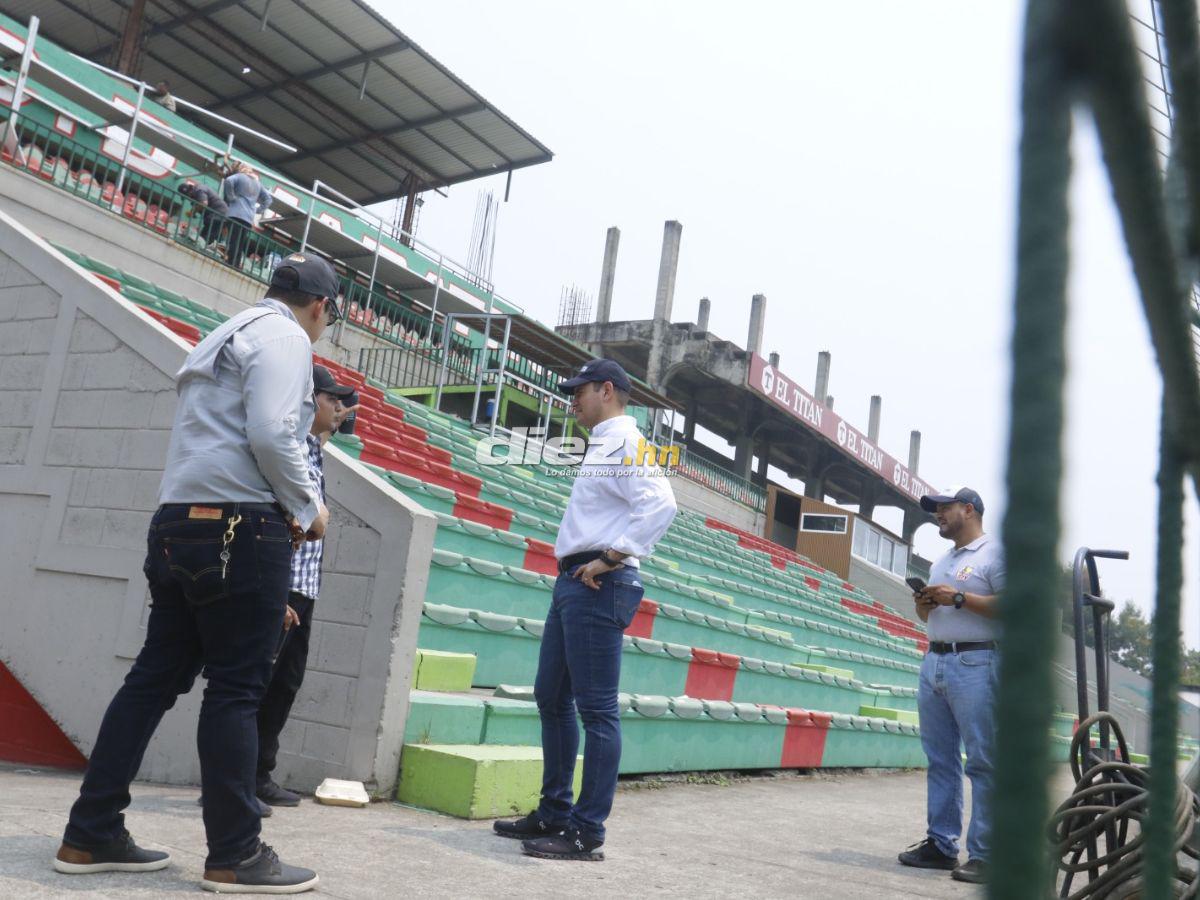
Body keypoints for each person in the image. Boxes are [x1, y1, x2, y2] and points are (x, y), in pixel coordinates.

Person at [53, 253, 343, 894]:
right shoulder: (288, 337)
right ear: (320, 308)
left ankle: (89, 831)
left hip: (177, 520)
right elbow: (271, 433)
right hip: (240, 526)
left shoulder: (227, 329)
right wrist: (309, 507)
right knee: (238, 690)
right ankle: (235, 855)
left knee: (151, 680)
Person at [493, 358, 677, 861]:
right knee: (551, 696)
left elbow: (661, 504)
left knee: (596, 711)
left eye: (581, 390)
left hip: (600, 581)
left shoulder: (622, 440)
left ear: (608, 390)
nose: (572, 398)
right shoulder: (603, 442)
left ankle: (585, 830)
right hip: (578, 578)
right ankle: (554, 811)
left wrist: (611, 556)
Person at [254, 365, 356, 808]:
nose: (341, 408)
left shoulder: (314, 450)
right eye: (332, 400)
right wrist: (273, 594)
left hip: (304, 588)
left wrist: (332, 424)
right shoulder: (290, 446)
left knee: (284, 684)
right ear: (308, 399)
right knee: (254, 685)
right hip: (280, 585)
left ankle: (258, 776)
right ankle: (233, 783)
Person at [897, 486, 1004, 886]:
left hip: (978, 660)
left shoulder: (995, 552)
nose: (938, 514)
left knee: (982, 760)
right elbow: (932, 614)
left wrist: (958, 597)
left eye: (945, 507)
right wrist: (925, 604)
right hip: (936, 658)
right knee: (941, 759)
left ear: (970, 509)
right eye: (936, 509)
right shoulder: (943, 560)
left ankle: (987, 854)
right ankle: (941, 846)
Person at [222, 162, 272, 271]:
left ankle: (230, 262)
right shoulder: (258, 184)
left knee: (232, 240)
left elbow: (229, 180)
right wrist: (259, 210)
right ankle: (235, 264)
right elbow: (268, 199)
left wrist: (231, 197)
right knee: (240, 242)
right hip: (249, 218)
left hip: (235, 213)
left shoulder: (240, 176)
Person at [179, 179, 229, 246]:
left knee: (206, 239)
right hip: (213, 216)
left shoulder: (199, 190)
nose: (188, 198)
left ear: (190, 191)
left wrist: (193, 212)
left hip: (218, 215)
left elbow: (203, 203)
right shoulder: (195, 195)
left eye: (187, 195)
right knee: (202, 238)